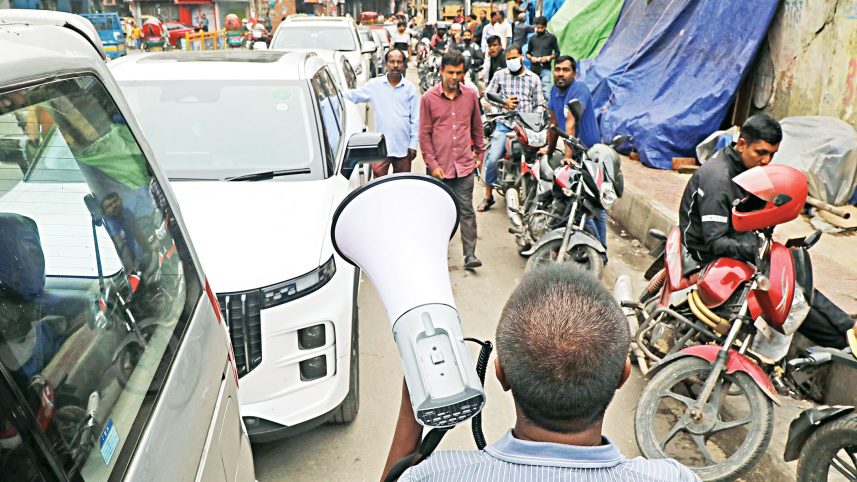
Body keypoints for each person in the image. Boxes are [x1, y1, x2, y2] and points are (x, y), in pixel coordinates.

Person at [381, 264, 701, 482]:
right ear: (623, 375)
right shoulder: (675, 478)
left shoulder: (433, 476)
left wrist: (414, 408)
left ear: (500, 375)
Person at [680, 114, 857, 349]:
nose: (766, 161)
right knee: (786, 294)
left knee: (793, 280)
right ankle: (842, 340)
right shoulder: (719, 181)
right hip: (705, 254)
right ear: (741, 144)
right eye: (760, 152)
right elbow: (715, 242)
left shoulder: (743, 169)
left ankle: (846, 329)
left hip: (735, 241)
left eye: (772, 154)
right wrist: (758, 251)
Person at [420, 51, 486, 269]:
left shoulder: (470, 96)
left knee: (466, 209)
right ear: (441, 72)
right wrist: (433, 164)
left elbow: (477, 127)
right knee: (438, 212)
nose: (454, 77)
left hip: (464, 165)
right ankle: (436, 253)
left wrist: (480, 154)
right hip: (440, 168)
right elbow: (425, 134)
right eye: (450, 72)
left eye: (459, 73)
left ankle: (470, 255)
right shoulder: (428, 99)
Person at [542, 55, 607, 254]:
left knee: (594, 205)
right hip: (574, 153)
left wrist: (567, 156)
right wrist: (549, 149)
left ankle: (600, 250)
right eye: (557, 69)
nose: (560, 74)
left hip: (589, 155)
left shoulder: (579, 89)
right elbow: (554, 124)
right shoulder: (554, 90)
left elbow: (571, 122)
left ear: (574, 73)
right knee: (571, 201)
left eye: (566, 70)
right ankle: (570, 244)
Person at [479, 44, 544, 212]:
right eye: (508, 59)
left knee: (539, 158)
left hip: (527, 127)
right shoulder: (500, 75)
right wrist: (504, 103)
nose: (511, 61)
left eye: (514, 58)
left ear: (522, 57)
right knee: (493, 159)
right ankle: (488, 196)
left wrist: (536, 119)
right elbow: (489, 95)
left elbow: (538, 103)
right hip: (504, 124)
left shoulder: (533, 78)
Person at [343, 49, 418, 178]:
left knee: (402, 183)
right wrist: (331, 96)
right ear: (385, 64)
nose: (395, 65)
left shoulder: (410, 89)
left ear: (404, 65)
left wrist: (413, 144)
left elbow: (416, 120)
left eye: (399, 62)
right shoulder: (375, 85)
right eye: (391, 62)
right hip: (381, 146)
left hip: (403, 146)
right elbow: (354, 96)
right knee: (378, 181)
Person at [526, 16, 561, 100]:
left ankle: (549, 111)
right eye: (538, 28)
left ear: (546, 26)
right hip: (534, 68)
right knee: (531, 92)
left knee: (546, 93)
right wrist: (531, 58)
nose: (540, 30)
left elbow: (557, 53)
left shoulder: (551, 38)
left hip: (546, 68)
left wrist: (548, 58)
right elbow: (528, 53)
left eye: (542, 28)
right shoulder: (532, 39)